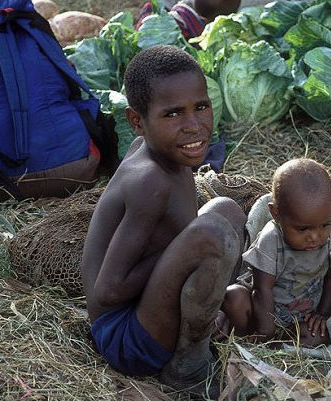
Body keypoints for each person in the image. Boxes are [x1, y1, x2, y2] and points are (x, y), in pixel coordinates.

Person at [80, 45, 246, 399]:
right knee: (210, 234)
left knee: (228, 210)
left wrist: (184, 251)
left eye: (201, 107)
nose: (193, 125)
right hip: (125, 337)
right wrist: (182, 250)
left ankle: (203, 320)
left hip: (147, 310)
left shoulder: (165, 153)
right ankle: (188, 368)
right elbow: (107, 291)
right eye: (173, 114)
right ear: (137, 121)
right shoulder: (150, 182)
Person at [220, 158, 331, 347]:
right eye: (303, 229)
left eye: (324, 225)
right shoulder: (272, 239)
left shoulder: (330, 237)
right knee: (234, 297)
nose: (315, 237)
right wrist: (265, 330)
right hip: (260, 312)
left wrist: (324, 313)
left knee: (318, 336)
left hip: (300, 318)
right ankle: (244, 339)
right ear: (276, 214)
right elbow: (262, 290)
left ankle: (282, 344)